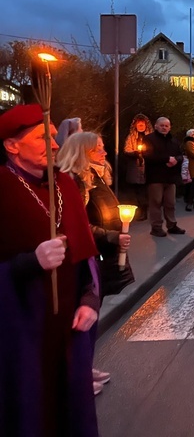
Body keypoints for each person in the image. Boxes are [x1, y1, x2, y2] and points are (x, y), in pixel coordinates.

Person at [0, 104, 100, 436]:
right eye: (43, 137)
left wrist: (89, 299)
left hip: (68, 330)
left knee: (72, 412)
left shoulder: (65, 185)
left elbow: (84, 254)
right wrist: (30, 262)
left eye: (54, 137)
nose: (55, 144)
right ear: (12, 145)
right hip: (23, 334)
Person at [56, 131, 136, 395]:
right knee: (81, 314)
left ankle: (84, 366)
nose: (103, 153)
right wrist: (112, 235)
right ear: (82, 154)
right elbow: (78, 225)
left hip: (99, 250)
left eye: (102, 147)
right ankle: (75, 375)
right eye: (97, 149)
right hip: (87, 254)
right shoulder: (74, 182)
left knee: (91, 311)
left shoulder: (93, 177)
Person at [143, 117, 186, 237]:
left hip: (171, 177)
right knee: (155, 202)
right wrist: (166, 159)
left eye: (166, 126)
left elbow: (180, 155)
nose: (164, 127)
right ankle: (156, 227)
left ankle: (172, 225)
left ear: (170, 127)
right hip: (156, 177)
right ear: (156, 126)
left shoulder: (174, 140)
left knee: (170, 203)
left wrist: (176, 160)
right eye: (161, 125)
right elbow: (147, 155)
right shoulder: (148, 139)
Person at [123, 113, 153, 220]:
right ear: (135, 125)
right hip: (135, 167)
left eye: (143, 124)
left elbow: (155, 150)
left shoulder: (151, 137)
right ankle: (141, 210)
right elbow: (126, 150)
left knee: (147, 189)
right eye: (139, 124)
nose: (141, 126)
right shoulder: (131, 137)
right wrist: (135, 153)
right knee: (137, 190)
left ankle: (147, 209)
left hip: (148, 166)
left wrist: (147, 153)